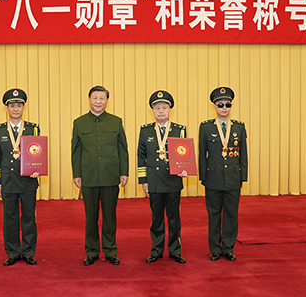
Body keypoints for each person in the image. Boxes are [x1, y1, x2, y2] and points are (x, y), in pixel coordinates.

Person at [71, 85, 129, 265]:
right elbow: (76, 151)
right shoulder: (79, 123)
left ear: (107, 101)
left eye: (102, 98)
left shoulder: (116, 122)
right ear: (89, 100)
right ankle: (92, 251)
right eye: (95, 98)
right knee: (91, 217)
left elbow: (122, 149)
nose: (98, 101)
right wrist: (77, 174)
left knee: (110, 216)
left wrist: (124, 172)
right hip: (88, 175)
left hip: (110, 174)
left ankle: (110, 250)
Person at [137, 90, 188, 264]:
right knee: (156, 218)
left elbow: (185, 153)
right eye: (157, 108)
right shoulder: (145, 131)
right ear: (152, 110)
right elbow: (141, 156)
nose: (160, 111)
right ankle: (156, 250)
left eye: (164, 108)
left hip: (173, 180)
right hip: (155, 181)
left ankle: (175, 250)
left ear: (170, 110)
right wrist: (144, 180)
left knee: (174, 218)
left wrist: (185, 169)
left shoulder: (179, 130)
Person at [0, 88, 41, 266]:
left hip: (28, 180)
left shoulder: (33, 128)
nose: (15, 109)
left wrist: (37, 169)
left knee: (29, 217)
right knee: (10, 218)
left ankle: (28, 252)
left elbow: (38, 153)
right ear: (6, 108)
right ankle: (12, 252)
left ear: (24, 107)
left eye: (19, 105)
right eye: (12, 106)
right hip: (8, 181)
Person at [198, 86, 248, 261]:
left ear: (231, 106)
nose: (224, 108)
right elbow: (202, 154)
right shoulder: (205, 127)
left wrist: (243, 176)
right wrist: (203, 177)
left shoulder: (239, 127)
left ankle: (228, 247)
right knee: (213, 214)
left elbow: (243, 154)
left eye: (228, 104)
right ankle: (215, 248)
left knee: (231, 214)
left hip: (233, 178)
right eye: (220, 104)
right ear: (214, 106)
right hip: (213, 178)